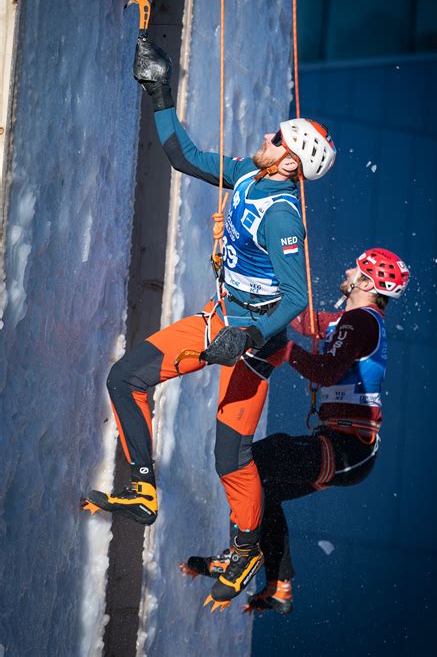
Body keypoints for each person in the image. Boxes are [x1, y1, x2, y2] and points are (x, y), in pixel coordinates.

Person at [83, 35, 336, 608]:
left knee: (230, 457)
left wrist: (247, 336)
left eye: (277, 139)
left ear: (290, 160)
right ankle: (143, 488)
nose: (267, 137)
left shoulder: (283, 215)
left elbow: (297, 297)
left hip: (251, 344)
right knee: (126, 377)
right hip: (217, 320)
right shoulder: (250, 175)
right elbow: (185, 157)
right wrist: (159, 88)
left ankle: (246, 546)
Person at [182, 248, 409, 613]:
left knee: (256, 461)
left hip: (349, 448)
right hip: (345, 447)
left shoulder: (360, 322)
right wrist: (269, 285)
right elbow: (306, 322)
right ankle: (278, 585)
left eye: (357, 268)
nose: (349, 269)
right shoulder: (351, 321)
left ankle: (239, 558)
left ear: (366, 283)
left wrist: (285, 349)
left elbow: (325, 372)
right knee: (265, 488)